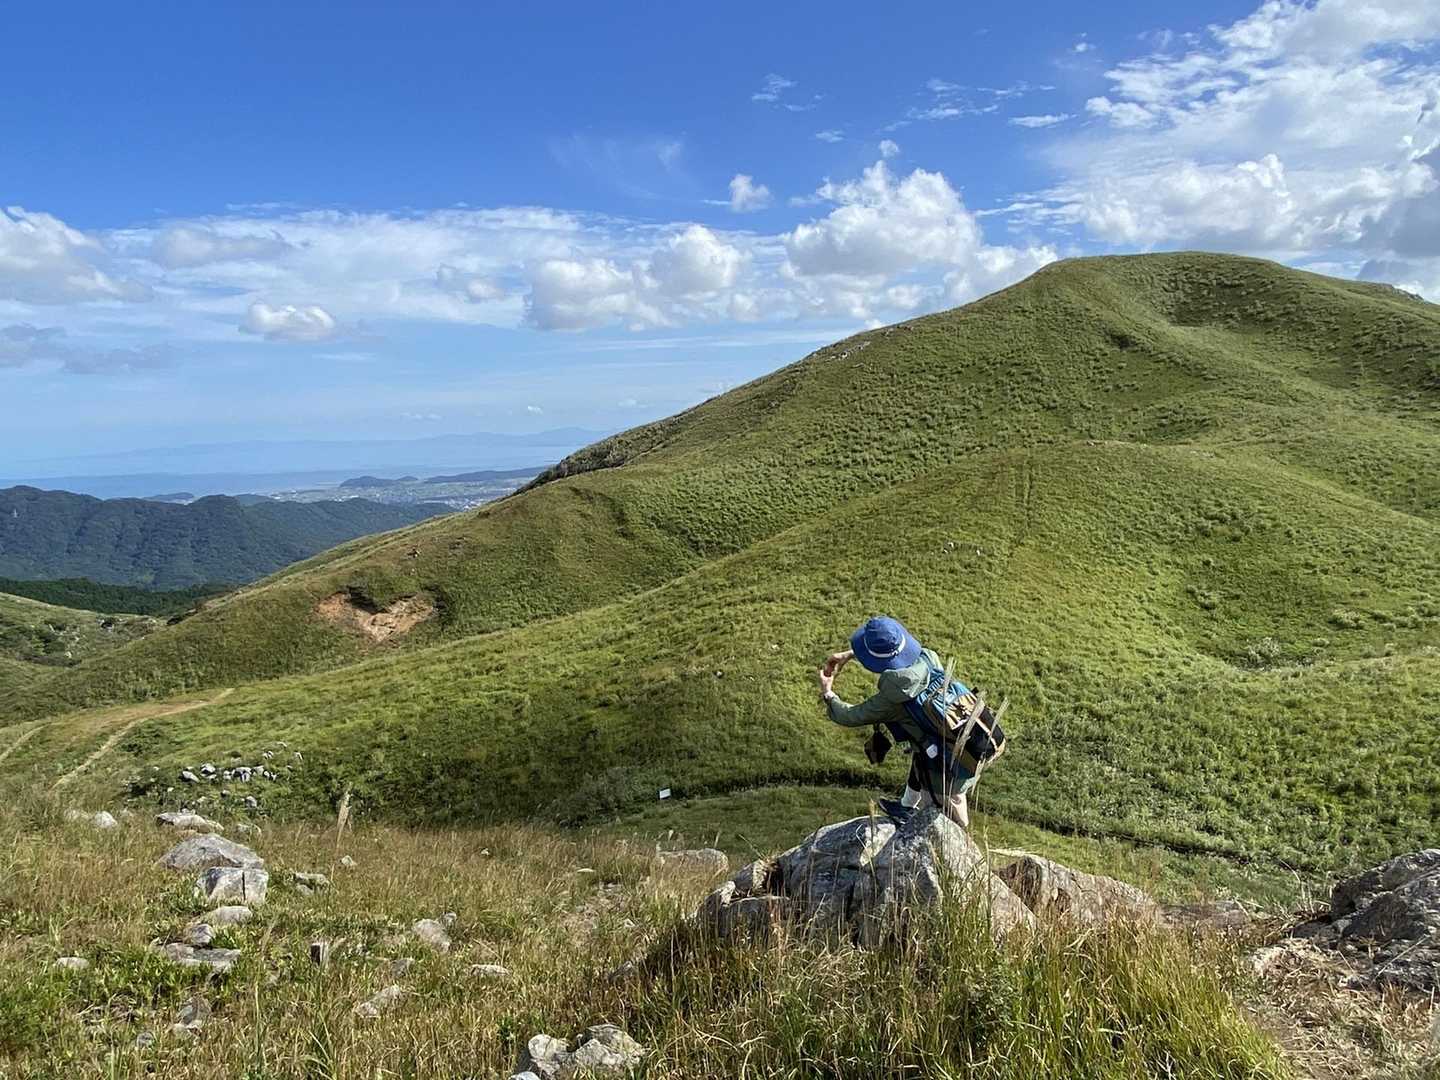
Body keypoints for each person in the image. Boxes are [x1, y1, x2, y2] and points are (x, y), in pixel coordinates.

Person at [818, 615, 974, 826]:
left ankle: (957, 843)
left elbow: (851, 715)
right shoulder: (929, 657)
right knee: (921, 756)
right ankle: (906, 806)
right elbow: (897, 658)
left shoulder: (894, 697)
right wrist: (852, 655)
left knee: (945, 817)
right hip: (962, 738)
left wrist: (828, 693)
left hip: (946, 763)